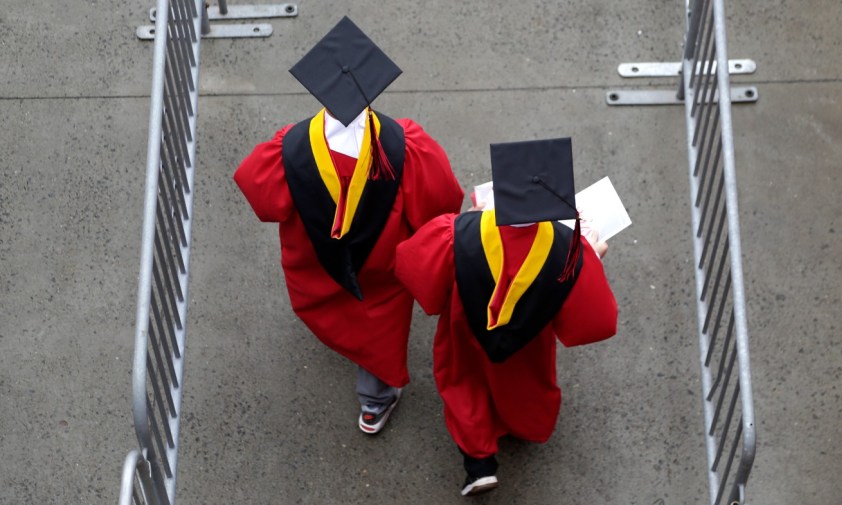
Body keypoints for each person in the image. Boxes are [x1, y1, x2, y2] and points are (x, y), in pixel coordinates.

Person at [233, 16, 464, 435]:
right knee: (378, 331)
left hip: (316, 267)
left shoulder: (288, 147)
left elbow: (260, 196)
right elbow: (443, 203)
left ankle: (357, 362)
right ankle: (375, 402)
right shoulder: (406, 146)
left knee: (338, 313)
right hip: (382, 271)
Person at [394, 137, 618, 496]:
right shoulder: (570, 249)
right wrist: (590, 259)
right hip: (528, 346)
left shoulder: (456, 234)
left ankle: (479, 465)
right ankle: (523, 428)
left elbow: (410, 267)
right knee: (524, 387)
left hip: (462, 332)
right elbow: (597, 322)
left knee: (464, 385)